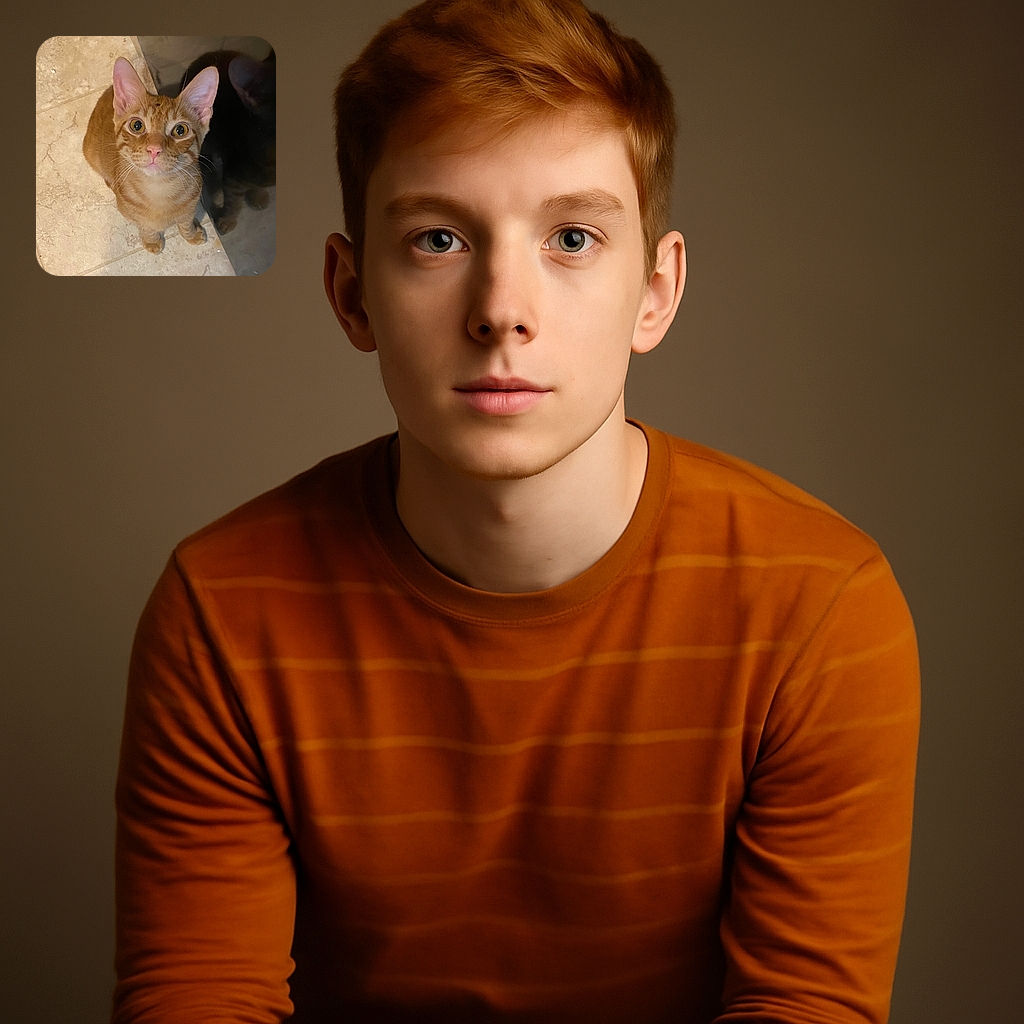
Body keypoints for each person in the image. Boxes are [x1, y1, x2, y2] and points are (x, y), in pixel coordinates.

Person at [111, 1, 920, 1021]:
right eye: (439, 237)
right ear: (352, 292)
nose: (502, 308)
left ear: (655, 293)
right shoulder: (221, 611)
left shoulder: (820, 610)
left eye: (572, 237)